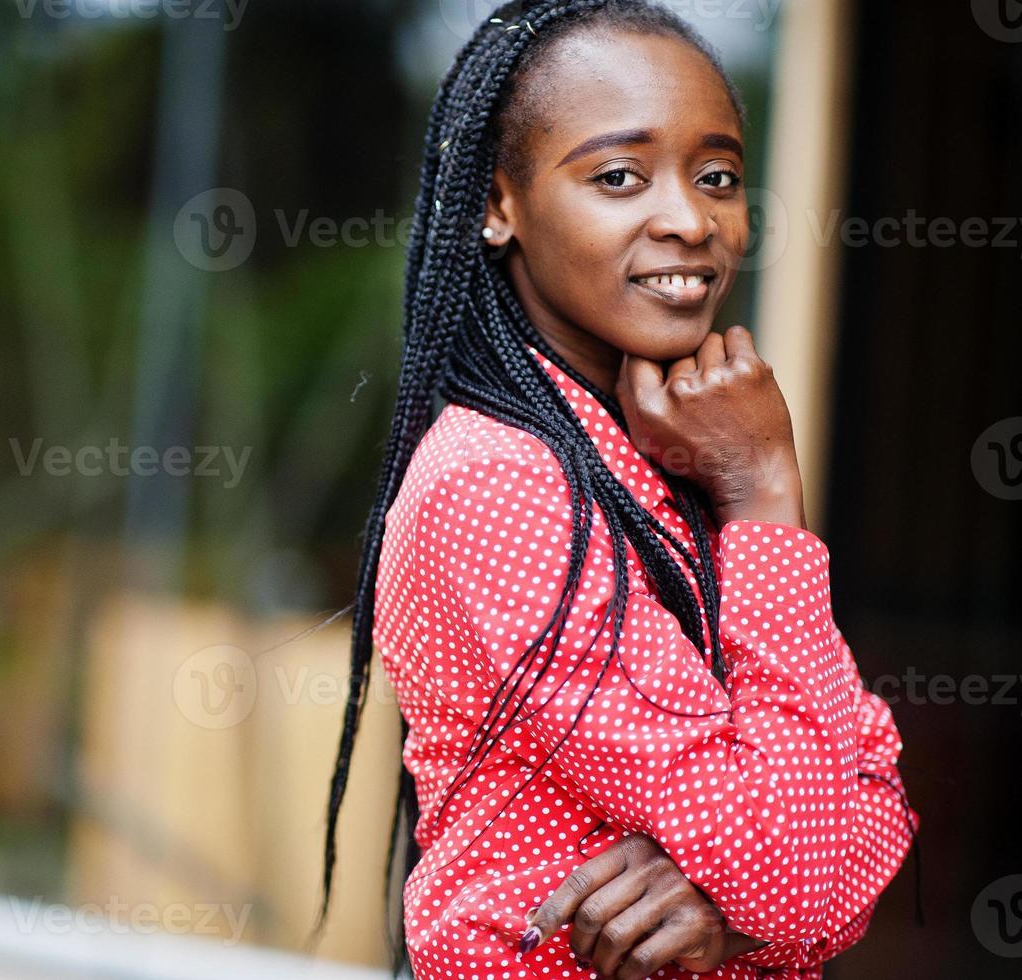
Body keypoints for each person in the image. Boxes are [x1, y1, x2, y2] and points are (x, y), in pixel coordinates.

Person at [315, 2, 918, 978]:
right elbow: (798, 863)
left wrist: (737, 904)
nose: (690, 219)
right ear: (497, 202)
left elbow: (878, 791)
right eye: (618, 176)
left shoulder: (667, 455)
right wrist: (766, 490)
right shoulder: (496, 485)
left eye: (717, 175)